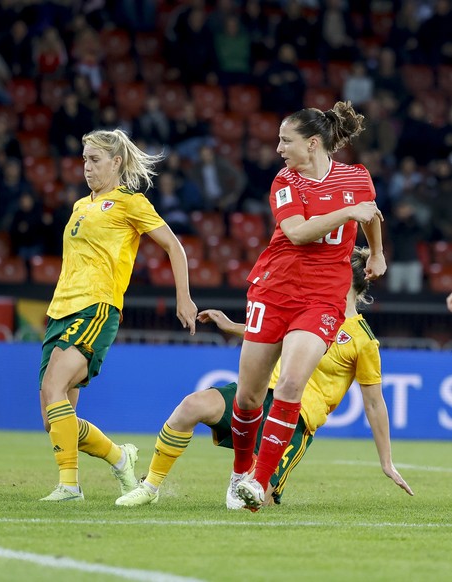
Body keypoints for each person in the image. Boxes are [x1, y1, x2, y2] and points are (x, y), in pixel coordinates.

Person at [116, 248, 413, 507]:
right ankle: (150, 486)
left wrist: (386, 462)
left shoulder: (362, 340)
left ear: (343, 277)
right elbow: (270, 332)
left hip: (294, 421)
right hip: (261, 394)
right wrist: (232, 326)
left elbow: (374, 404)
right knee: (192, 406)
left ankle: (254, 481)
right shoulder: (305, 309)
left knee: (255, 503)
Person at [229, 101, 386, 512]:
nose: (279, 148)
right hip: (275, 290)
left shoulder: (357, 178)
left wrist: (376, 255)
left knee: (292, 384)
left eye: (286, 140)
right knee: (248, 397)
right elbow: (297, 233)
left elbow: (370, 212)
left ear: (313, 143)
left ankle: (257, 486)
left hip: (324, 296)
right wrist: (347, 211)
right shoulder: (286, 181)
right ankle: (239, 472)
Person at [39, 129, 198, 502]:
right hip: (60, 310)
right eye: (83, 159)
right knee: (53, 418)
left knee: (52, 388)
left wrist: (184, 297)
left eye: (94, 160)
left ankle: (69, 487)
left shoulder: (130, 202)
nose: (86, 167)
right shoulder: (81, 205)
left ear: (116, 163)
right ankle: (119, 457)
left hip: (96, 307)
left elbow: (174, 247)